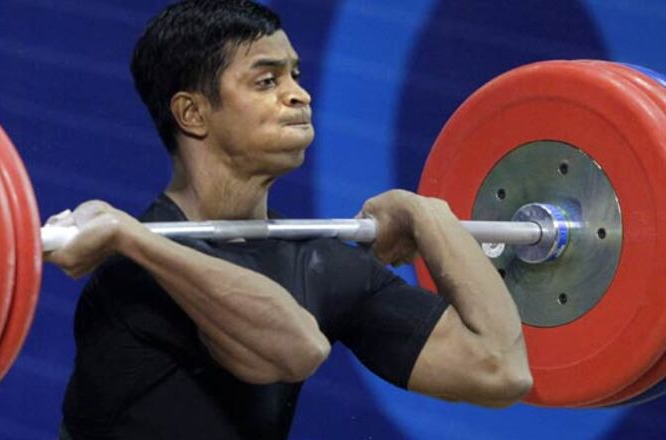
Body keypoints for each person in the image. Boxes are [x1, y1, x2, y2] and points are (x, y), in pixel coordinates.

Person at [46, 1, 533, 439]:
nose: (299, 95)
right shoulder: (131, 275)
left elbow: (499, 369)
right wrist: (132, 239)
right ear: (192, 113)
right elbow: (296, 348)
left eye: (294, 76)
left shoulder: (316, 263)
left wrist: (425, 213)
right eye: (267, 81)